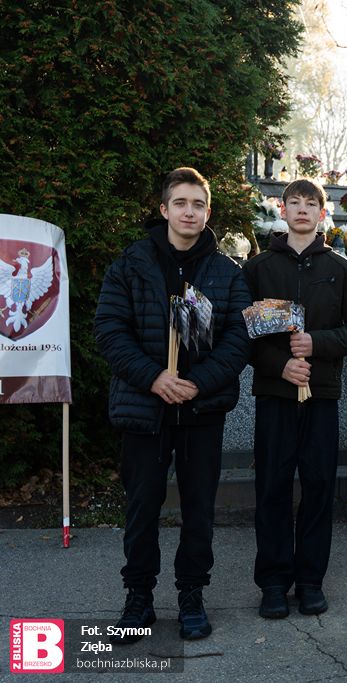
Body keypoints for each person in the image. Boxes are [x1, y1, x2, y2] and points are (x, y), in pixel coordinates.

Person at [94, 167, 252, 642]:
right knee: (142, 506)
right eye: (180, 203)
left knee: (199, 507)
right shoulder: (130, 265)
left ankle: (191, 595)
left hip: (200, 410)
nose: (189, 212)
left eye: (198, 204)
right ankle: (139, 595)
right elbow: (110, 331)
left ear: (208, 212)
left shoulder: (225, 273)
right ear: (164, 209)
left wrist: (197, 382)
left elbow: (237, 339)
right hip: (145, 408)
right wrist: (155, 377)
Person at [243, 178, 347, 619]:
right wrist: (280, 364)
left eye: (310, 203)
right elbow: (241, 334)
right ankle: (275, 582)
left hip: (320, 397)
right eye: (294, 202)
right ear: (282, 210)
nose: (302, 209)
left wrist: (316, 344)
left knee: (318, 487)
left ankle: (311, 580)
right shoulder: (259, 268)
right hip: (276, 395)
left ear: (322, 212)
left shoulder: (340, 268)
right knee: (273, 488)